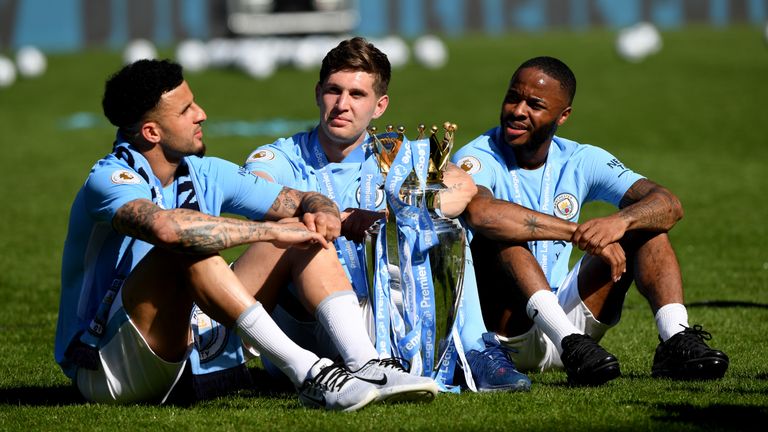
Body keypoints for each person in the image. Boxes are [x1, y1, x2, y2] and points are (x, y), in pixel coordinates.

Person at [54, 58, 437, 412]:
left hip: (188, 349)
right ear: (152, 131)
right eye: (187, 111)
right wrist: (268, 231)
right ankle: (307, 371)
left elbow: (300, 200)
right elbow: (167, 229)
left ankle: (365, 362)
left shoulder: (204, 171)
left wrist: (322, 211)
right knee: (188, 245)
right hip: (109, 367)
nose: (201, 114)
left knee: (298, 232)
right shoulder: (108, 179)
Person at [239, 37, 531, 392]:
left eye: (357, 95)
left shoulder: (394, 156)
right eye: (334, 91)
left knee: (441, 226)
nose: (342, 105)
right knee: (296, 232)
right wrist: (341, 217)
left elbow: (462, 187)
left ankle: (477, 351)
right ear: (318, 93)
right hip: (305, 321)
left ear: (380, 106)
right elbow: (254, 191)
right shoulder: (284, 156)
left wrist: (401, 214)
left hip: (379, 312)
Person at [452, 56, 729, 385]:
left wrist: (622, 222)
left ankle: (674, 338)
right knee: (500, 235)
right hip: (507, 334)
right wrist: (576, 233)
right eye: (513, 97)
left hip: (573, 321)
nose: (518, 110)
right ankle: (568, 342)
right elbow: (480, 213)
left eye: (534, 104)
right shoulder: (478, 154)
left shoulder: (581, 159)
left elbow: (669, 203)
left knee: (647, 226)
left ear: (563, 115)